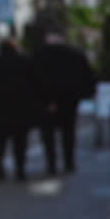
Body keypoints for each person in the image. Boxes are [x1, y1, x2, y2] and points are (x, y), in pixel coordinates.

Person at [32, 32, 97, 175]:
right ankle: (69, 162)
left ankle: (51, 164)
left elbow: (31, 79)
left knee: (48, 134)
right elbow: (88, 76)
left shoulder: (38, 56)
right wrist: (84, 93)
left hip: (45, 101)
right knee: (68, 132)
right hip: (69, 100)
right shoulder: (75, 55)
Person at [0, 38, 37, 181]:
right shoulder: (25, 62)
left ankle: (0, 164)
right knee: (20, 141)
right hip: (20, 110)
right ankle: (20, 168)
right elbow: (34, 85)